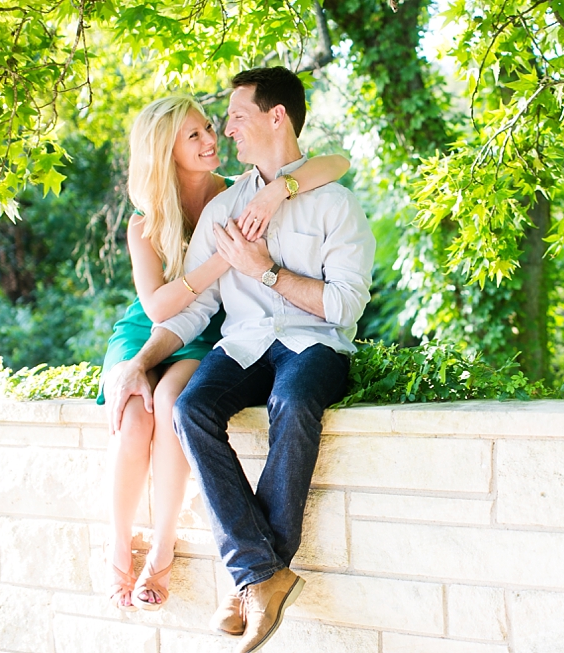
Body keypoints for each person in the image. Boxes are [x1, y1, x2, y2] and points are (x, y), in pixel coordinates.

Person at [107, 66, 375, 653]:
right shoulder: (223, 208)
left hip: (315, 343)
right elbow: (192, 309)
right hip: (243, 345)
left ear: (276, 117)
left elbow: (343, 306)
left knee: (294, 400)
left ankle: (249, 577)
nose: (225, 131)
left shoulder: (335, 205)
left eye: (234, 117)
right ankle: (260, 573)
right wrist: (140, 362)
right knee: (190, 408)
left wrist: (267, 272)